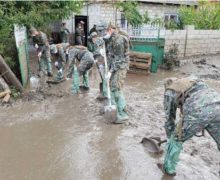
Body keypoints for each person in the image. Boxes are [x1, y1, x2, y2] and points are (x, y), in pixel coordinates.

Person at [158, 76, 220, 176]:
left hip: (198, 109)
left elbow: (169, 119)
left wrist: (170, 138)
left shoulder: (169, 92)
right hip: (217, 103)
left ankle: (168, 169)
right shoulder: (193, 80)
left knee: (176, 139)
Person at [104, 24, 130, 124]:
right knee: (111, 86)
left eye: (107, 31)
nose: (105, 33)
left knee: (116, 87)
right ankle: (116, 110)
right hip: (114, 65)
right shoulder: (111, 39)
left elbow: (119, 59)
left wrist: (111, 71)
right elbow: (110, 55)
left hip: (121, 66)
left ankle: (123, 114)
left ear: (111, 29)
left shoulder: (120, 40)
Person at [88, 32, 108, 100]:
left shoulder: (97, 41)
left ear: (94, 37)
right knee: (102, 76)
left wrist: (92, 55)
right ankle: (103, 90)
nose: (92, 40)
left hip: (100, 60)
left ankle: (105, 93)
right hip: (99, 59)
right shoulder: (98, 41)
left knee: (103, 75)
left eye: (92, 38)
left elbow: (96, 52)